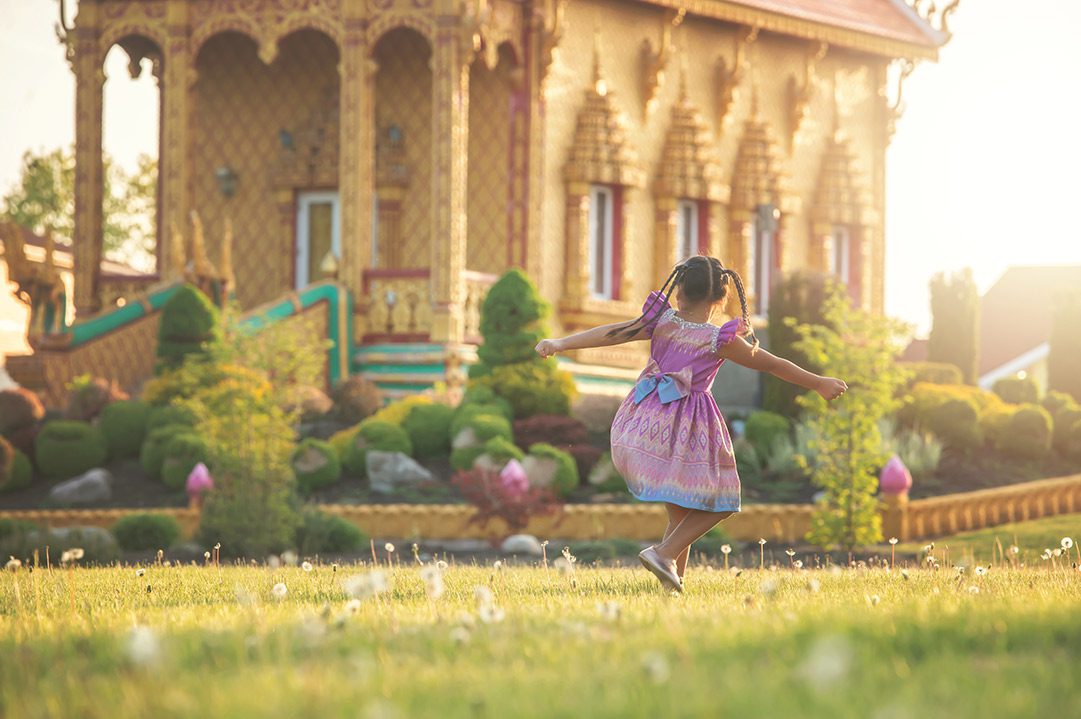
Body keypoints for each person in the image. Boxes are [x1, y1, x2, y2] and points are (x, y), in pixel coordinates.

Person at [535, 256, 847, 592]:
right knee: (722, 499)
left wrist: (561, 343)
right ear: (720, 299)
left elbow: (612, 333)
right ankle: (664, 552)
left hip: (643, 422)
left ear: (679, 291)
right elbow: (772, 364)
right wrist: (817, 382)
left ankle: (672, 581)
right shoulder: (718, 339)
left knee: (680, 512)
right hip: (685, 429)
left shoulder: (661, 321)